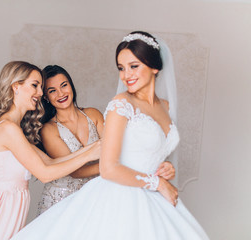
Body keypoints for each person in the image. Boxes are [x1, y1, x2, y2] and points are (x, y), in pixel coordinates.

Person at [11, 32, 209, 239]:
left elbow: (141, 148)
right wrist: (150, 178)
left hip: (148, 190)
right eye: (121, 68)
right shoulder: (120, 105)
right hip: (107, 193)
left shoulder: (164, 108)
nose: (126, 75)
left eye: (133, 66)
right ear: (47, 97)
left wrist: (163, 166)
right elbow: (106, 166)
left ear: (155, 67)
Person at [0, 61, 100, 240]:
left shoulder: (13, 127)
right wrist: (90, 154)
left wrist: (93, 148)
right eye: (35, 86)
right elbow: (46, 174)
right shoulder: (7, 128)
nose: (40, 93)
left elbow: (49, 162)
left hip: (9, 209)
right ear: (16, 86)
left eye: (41, 87)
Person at [37, 65, 175, 215]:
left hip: (94, 195)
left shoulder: (93, 115)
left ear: (71, 85)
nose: (61, 93)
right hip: (61, 199)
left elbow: (115, 149)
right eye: (52, 91)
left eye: (64, 85)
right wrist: (109, 165)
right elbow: (75, 171)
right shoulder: (48, 129)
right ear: (46, 97)